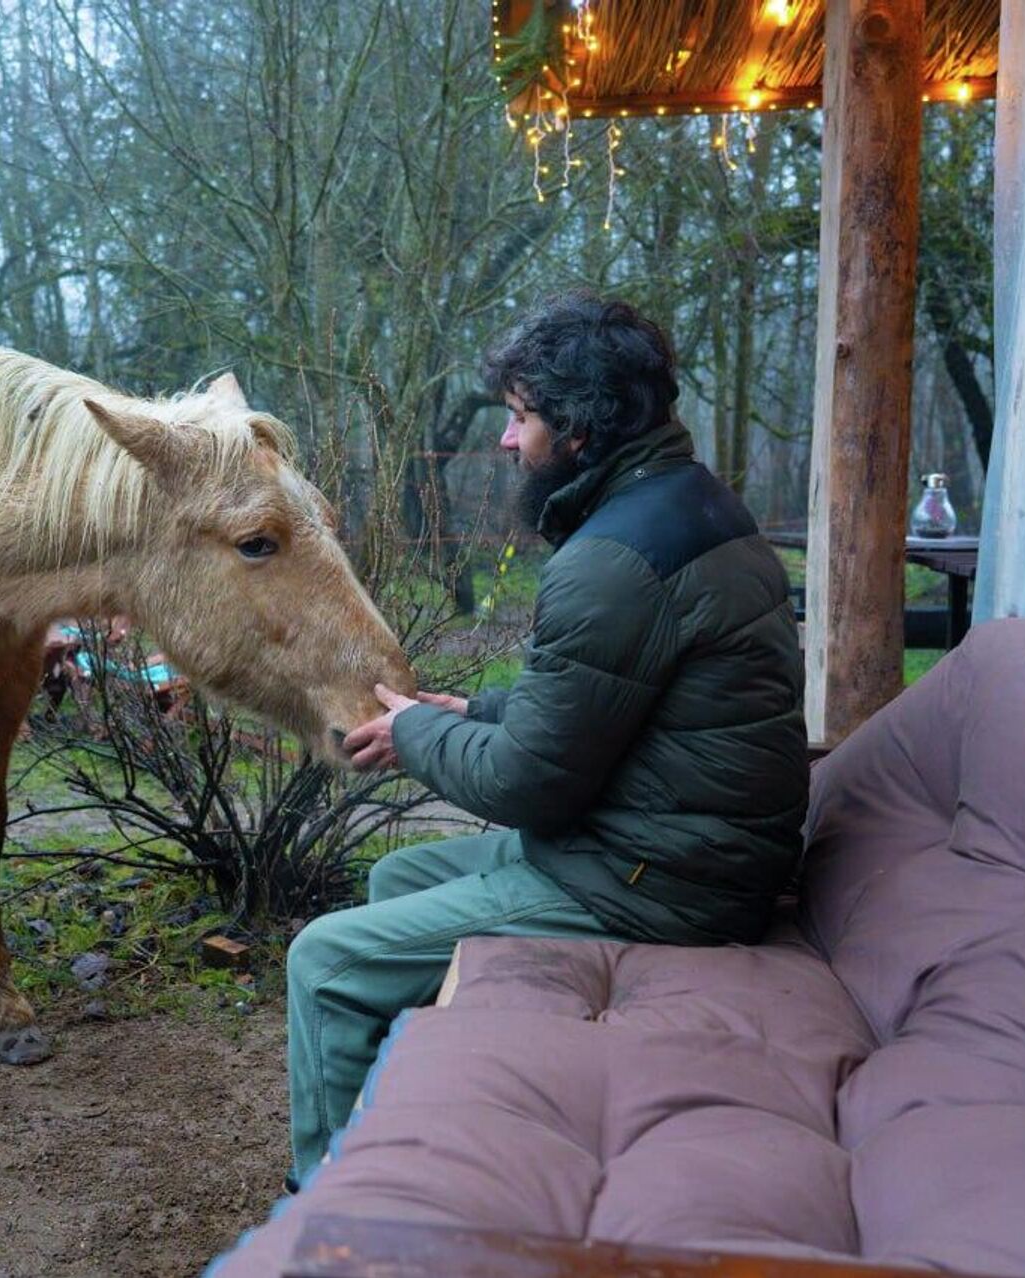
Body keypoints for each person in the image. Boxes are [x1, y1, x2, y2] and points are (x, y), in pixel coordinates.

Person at [285, 292, 808, 1185]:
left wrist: (414, 736)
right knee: (397, 875)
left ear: (580, 428)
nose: (505, 438)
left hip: (663, 888)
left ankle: (335, 1207)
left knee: (326, 962)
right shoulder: (687, 505)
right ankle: (424, 1119)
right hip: (677, 851)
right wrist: (465, 714)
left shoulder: (613, 561)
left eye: (521, 417)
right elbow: (602, 702)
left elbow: (529, 784)